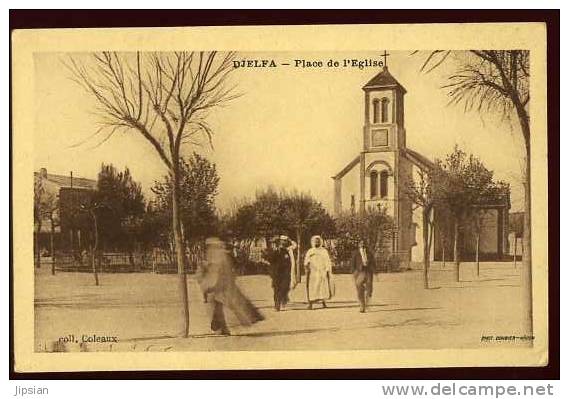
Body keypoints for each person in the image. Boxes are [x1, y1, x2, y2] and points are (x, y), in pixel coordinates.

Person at [197, 237, 264, 336]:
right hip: (218, 286)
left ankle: (222, 328)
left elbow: (218, 271)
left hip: (219, 286)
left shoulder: (219, 256)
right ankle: (222, 328)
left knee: (225, 307)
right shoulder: (218, 255)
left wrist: (208, 284)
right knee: (221, 308)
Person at [263, 235, 296, 311]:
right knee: (276, 289)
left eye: (285, 241)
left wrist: (289, 239)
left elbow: (295, 245)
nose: (283, 243)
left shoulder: (288, 250)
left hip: (285, 273)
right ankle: (277, 305)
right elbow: (269, 259)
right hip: (276, 273)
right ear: (279, 242)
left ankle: (283, 299)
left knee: (284, 288)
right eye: (281, 241)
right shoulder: (274, 251)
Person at [304, 235, 333, 310]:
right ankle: (310, 304)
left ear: (320, 242)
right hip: (313, 272)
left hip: (322, 272)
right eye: (315, 241)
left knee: (322, 287)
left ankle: (323, 303)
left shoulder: (324, 251)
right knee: (312, 287)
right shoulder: (310, 251)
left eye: (318, 241)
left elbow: (327, 261)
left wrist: (327, 269)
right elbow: (306, 261)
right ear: (313, 242)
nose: (317, 242)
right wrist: (307, 266)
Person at [350, 239, 376, 313]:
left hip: (368, 272)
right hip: (359, 272)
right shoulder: (355, 253)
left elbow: (373, 262)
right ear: (358, 244)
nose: (362, 244)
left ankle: (367, 304)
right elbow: (352, 263)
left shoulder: (369, 253)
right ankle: (362, 305)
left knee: (369, 289)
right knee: (359, 288)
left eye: (364, 243)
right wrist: (354, 272)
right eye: (361, 243)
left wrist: (375, 271)